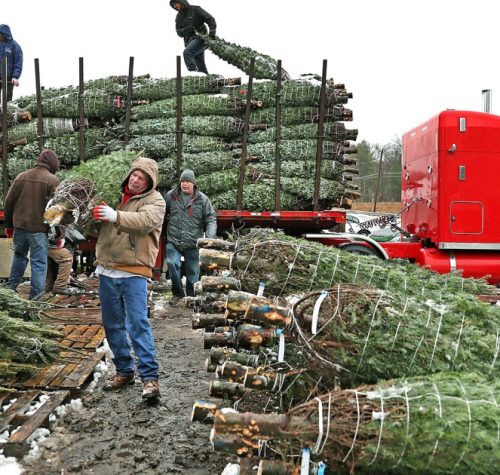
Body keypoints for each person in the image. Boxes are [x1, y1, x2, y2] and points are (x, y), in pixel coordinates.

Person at [92, 157, 165, 400]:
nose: (136, 180)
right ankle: (124, 371)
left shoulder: (155, 201)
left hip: (134, 272)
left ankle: (150, 378)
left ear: (149, 183)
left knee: (137, 324)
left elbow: (145, 222)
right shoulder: (115, 196)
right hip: (107, 270)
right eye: (134, 175)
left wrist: (116, 216)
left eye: (142, 178)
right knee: (112, 325)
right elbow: (98, 228)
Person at [4, 149, 60, 300]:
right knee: (39, 264)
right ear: (53, 163)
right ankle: (35, 299)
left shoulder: (21, 176)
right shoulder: (52, 180)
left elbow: (8, 202)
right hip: (38, 230)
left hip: (20, 227)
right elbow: (56, 210)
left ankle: (10, 291)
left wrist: (8, 225)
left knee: (19, 257)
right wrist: (59, 234)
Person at [164, 169, 217, 305]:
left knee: (193, 272)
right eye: (182, 181)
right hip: (173, 240)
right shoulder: (171, 196)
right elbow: (161, 213)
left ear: (193, 183)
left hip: (193, 242)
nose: (184, 184)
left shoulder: (202, 199)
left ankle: (191, 297)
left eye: (187, 181)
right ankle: (177, 293)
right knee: (172, 263)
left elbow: (211, 218)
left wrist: (209, 238)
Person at [170, 0, 216, 75]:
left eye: (175, 4)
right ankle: (207, 78)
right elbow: (179, 32)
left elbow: (210, 19)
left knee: (187, 52)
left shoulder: (196, 9)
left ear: (181, 1)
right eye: (173, 5)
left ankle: (193, 74)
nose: (174, 6)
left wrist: (212, 31)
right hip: (189, 42)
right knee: (200, 66)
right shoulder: (178, 17)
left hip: (201, 39)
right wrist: (187, 29)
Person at [45, 226, 84, 295]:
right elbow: (60, 222)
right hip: (51, 239)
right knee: (66, 258)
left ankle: (48, 286)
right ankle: (60, 287)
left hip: (43, 238)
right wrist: (61, 236)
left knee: (49, 261)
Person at [0, 24, 23, 102]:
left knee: (8, 100)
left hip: (9, 77)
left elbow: (18, 62)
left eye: (0, 34)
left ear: (5, 34)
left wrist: (15, 77)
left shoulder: (15, 46)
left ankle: (7, 110)